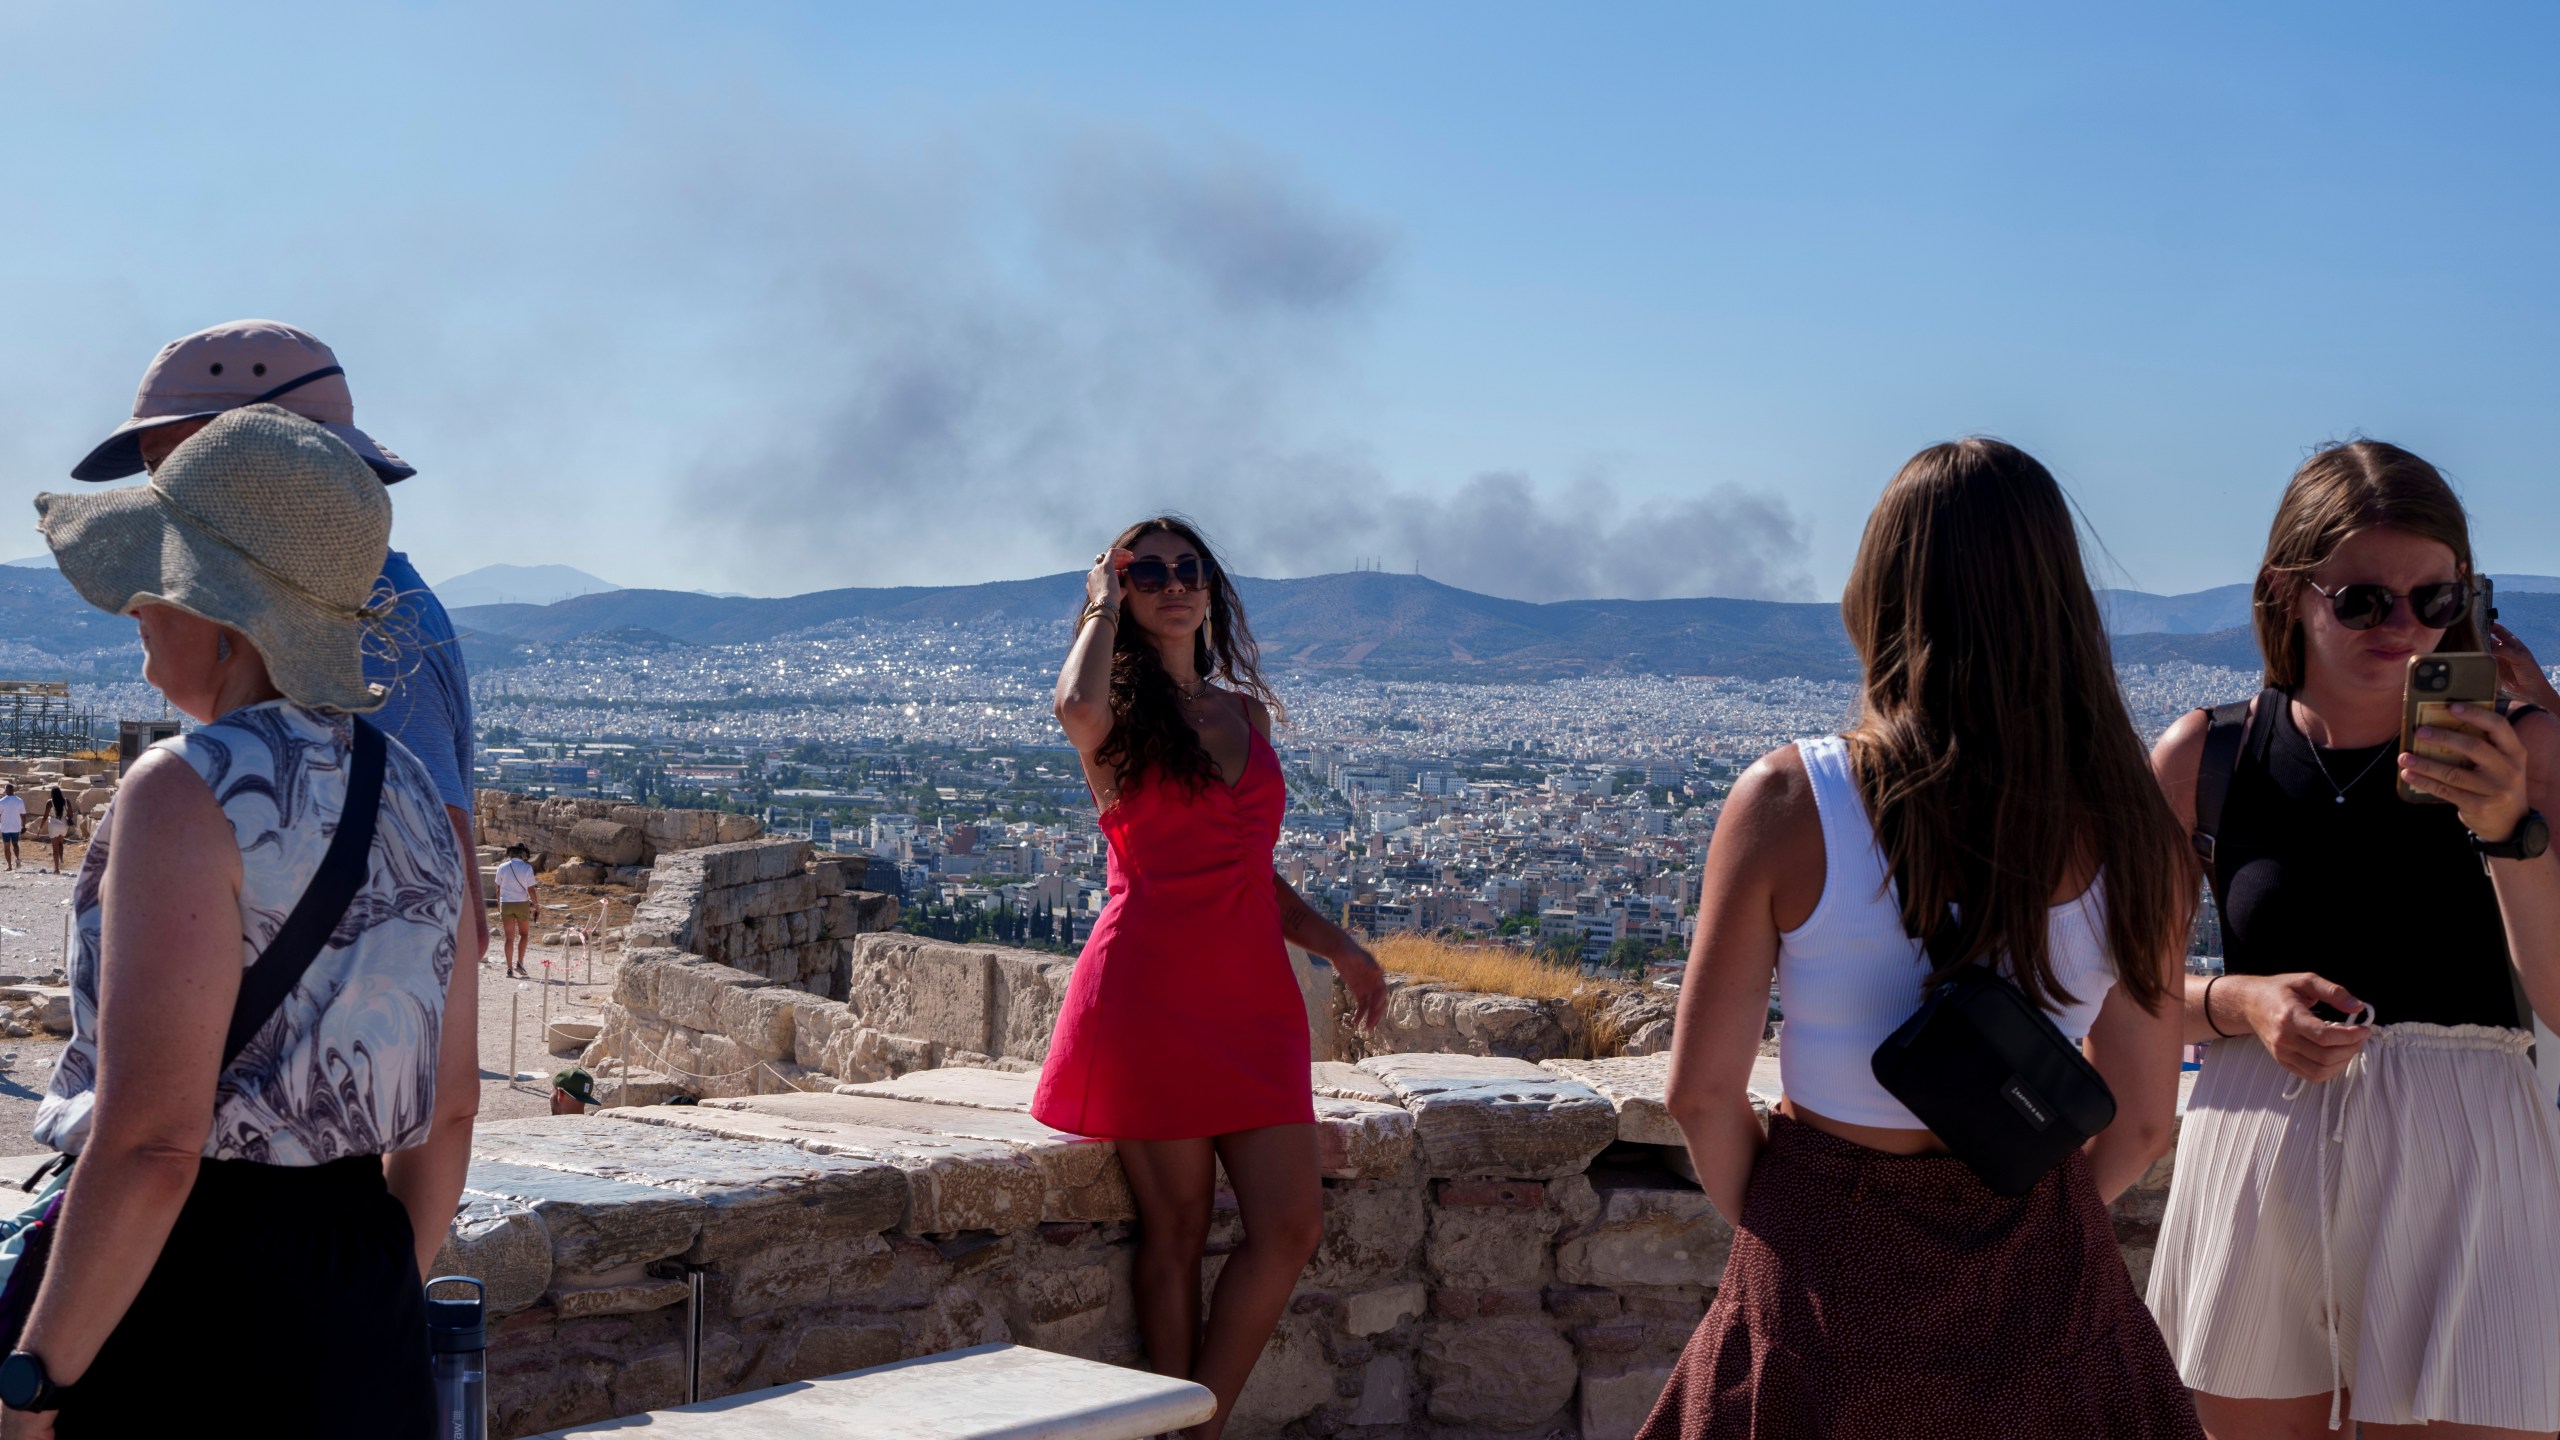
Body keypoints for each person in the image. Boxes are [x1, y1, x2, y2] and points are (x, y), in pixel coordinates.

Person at [1644, 439, 2201, 1439]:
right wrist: (2019, 1199)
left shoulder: (1788, 802)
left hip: (1823, 1273)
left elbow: (1698, 1093)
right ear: (2062, 604)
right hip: (2046, 1284)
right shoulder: (2136, 832)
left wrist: (1794, 1223)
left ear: (1877, 592)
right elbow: (2144, 1124)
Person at [6, 407, 478, 1437]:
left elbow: (153, 1145)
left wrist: (33, 1385)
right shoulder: (418, 799)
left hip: (183, 1293)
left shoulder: (185, 790)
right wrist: (360, 1302)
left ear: (224, 614)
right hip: (366, 1296)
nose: (138, 605)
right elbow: (449, 1111)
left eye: (160, 581)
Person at [2144, 440, 2560, 1439]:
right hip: (2256, 1150)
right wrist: (2239, 1003)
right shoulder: (2206, 757)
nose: (2404, 627)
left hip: (2464, 1157)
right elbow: (2134, 998)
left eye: (2434, 599)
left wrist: (2509, 830)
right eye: (2364, 601)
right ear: (2287, 593)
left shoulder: (2528, 746)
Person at [1033, 516, 1389, 1440]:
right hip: (1148, 991)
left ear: (1212, 585)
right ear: (1118, 590)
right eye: (1146, 572)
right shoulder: (1111, 717)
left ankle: (1199, 1426)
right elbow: (1073, 710)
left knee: (1289, 1224)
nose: (1172, 582)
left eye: (1187, 568)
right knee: (1178, 1231)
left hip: (1252, 999)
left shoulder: (1244, 712)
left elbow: (1249, 868)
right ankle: (1179, 1428)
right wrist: (1100, 609)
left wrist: (1340, 948)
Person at [72, 319, 485, 969]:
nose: (154, 498)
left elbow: (441, 916)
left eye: (169, 468)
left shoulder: (354, 621)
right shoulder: (333, 597)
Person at [495, 843, 540, 978]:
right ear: (522, 854)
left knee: (509, 937)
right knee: (524, 934)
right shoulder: (527, 868)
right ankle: (519, 963)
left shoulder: (502, 867)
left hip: (506, 903)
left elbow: (498, 888)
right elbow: (531, 889)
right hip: (521, 903)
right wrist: (537, 905)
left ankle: (509, 968)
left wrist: (499, 904)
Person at [40, 790, 67, 875]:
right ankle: (61, 859)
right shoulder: (66, 801)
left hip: (54, 824)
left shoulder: (50, 802)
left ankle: (56, 869)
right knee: (60, 843)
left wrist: (40, 828)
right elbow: (70, 814)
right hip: (63, 824)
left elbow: (45, 816)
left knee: (55, 848)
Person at [0, 785, 20, 872]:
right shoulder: (19, 800)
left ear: (6, 790)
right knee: (15, 844)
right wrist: (23, 826)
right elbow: (23, 814)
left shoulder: (1, 801)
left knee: (7, 847)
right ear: (13, 790)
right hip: (16, 827)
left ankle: (9, 866)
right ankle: (18, 859)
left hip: (5, 827)